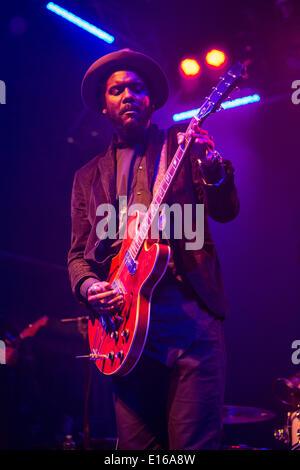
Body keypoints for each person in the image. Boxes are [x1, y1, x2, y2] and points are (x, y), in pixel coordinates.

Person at [68, 49, 239, 450]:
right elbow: (77, 255)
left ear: (151, 101)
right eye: (116, 90)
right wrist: (90, 287)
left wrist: (212, 165)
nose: (127, 94)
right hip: (123, 333)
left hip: (190, 325)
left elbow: (225, 211)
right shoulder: (86, 177)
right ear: (104, 105)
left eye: (137, 88)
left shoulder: (181, 145)